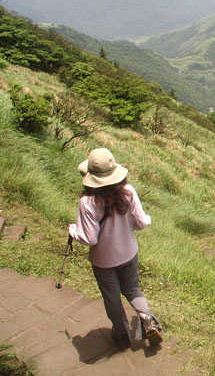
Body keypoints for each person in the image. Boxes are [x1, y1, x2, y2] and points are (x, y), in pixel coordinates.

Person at [68, 148, 162, 348]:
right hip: (129, 252)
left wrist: (73, 230)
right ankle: (147, 319)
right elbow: (141, 221)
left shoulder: (87, 202)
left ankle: (121, 335)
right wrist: (126, 229)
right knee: (132, 288)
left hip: (103, 260)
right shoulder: (128, 192)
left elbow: (89, 238)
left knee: (112, 297)